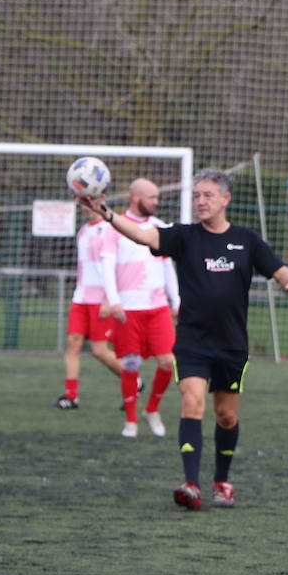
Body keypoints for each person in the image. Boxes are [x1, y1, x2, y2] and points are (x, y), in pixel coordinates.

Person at [84, 169, 288, 509]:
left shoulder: (246, 240)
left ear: (225, 199)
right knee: (191, 403)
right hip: (191, 342)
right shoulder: (184, 236)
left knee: (226, 416)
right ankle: (191, 484)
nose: (201, 201)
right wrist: (108, 215)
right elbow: (144, 235)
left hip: (231, 345)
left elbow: (279, 268)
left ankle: (222, 481)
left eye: (208, 196)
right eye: (197, 195)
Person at [112, 179, 180, 439]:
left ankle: (151, 410)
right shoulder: (117, 226)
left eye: (157, 197)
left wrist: (177, 300)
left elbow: (166, 266)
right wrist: (112, 298)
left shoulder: (159, 227)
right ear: (134, 196)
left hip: (157, 307)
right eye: (151, 197)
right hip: (129, 309)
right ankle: (131, 420)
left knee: (168, 361)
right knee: (131, 364)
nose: (156, 202)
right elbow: (108, 266)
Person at [56, 199, 127, 410]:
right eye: (82, 205)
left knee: (99, 351)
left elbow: (118, 267)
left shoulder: (111, 229)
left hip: (100, 300)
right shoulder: (83, 231)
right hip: (81, 298)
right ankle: (71, 396)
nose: (85, 208)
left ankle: (134, 381)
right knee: (73, 344)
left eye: (88, 204)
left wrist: (109, 298)